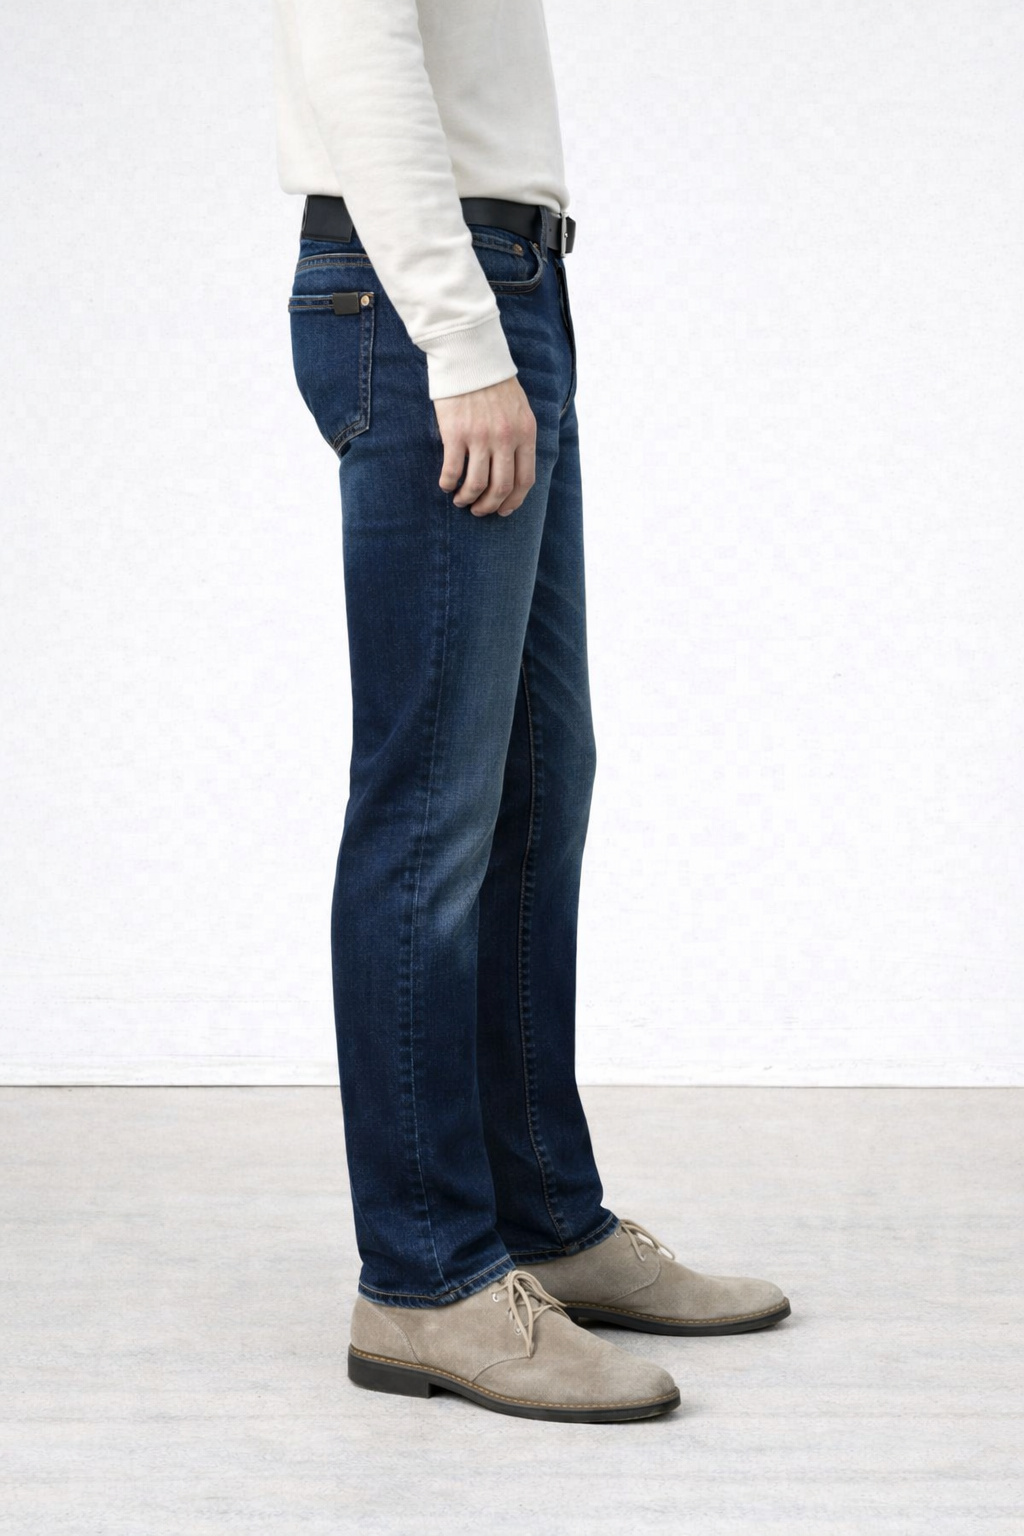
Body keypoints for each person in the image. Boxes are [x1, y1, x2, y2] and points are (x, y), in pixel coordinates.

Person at [272, 0, 791, 1424]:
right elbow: (352, 47)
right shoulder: (443, 318)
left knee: (540, 779)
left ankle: (542, 1219)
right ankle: (425, 1279)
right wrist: (458, 335)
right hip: (430, 294)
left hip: (508, 280)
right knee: (432, 806)